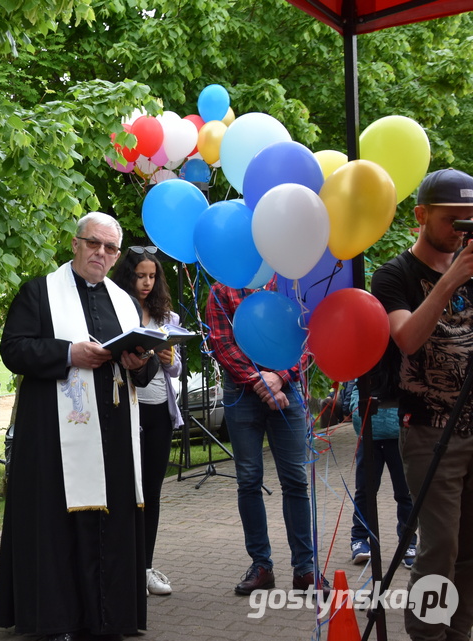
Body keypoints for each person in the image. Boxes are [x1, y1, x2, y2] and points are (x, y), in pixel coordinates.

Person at [0, 212, 158, 641]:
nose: (101, 253)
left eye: (110, 248)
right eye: (93, 243)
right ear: (75, 243)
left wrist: (142, 362)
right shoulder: (39, 292)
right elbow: (14, 349)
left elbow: (142, 365)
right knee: (57, 525)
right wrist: (69, 354)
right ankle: (57, 620)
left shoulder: (124, 301)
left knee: (113, 522)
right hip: (53, 435)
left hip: (116, 434)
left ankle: (110, 617)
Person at [370, 168, 473, 641]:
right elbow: (408, 339)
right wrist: (450, 280)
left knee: (470, 547)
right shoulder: (394, 275)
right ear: (421, 215)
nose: (461, 232)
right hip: (430, 430)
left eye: (471, 222)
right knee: (440, 546)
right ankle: (427, 634)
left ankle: (458, 631)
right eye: (453, 220)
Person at [205, 282, 324, 595]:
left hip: (286, 387)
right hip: (242, 392)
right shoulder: (222, 288)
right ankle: (261, 566)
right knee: (249, 479)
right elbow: (222, 344)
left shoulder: (289, 281)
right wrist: (261, 382)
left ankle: (305, 569)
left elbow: (308, 336)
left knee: (296, 479)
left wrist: (280, 377)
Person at [110, 245, 182, 597]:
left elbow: (176, 368)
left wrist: (169, 358)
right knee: (124, 489)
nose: (147, 283)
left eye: (152, 276)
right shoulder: (115, 310)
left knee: (151, 491)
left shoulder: (167, 317)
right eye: (140, 276)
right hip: (126, 408)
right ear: (128, 276)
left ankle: (146, 567)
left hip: (158, 410)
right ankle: (120, 566)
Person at [339, 381, 417, 567]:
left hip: (398, 435)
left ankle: (408, 542)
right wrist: (351, 403)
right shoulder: (362, 362)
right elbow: (349, 393)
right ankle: (359, 539)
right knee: (365, 491)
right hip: (369, 436)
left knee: (405, 492)